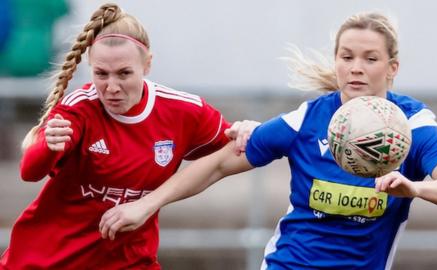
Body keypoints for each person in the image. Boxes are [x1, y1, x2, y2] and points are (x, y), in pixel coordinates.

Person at [99, 11, 437, 270]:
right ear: (336, 62)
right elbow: (217, 163)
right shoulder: (306, 119)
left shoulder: (412, 124)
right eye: (347, 56)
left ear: (392, 68)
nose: (356, 67)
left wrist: (414, 188)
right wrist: (146, 205)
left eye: (370, 58)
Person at [0, 3, 256, 269]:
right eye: (101, 74)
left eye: (124, 73)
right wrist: (48, 145)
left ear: (147, 65)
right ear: (90, 67)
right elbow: (30, 171)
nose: (112, 87)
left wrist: (251, 131)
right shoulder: (79, 108)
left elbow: (240, 150)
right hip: (46, 262)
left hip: (131, 263)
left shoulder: (183, 111)